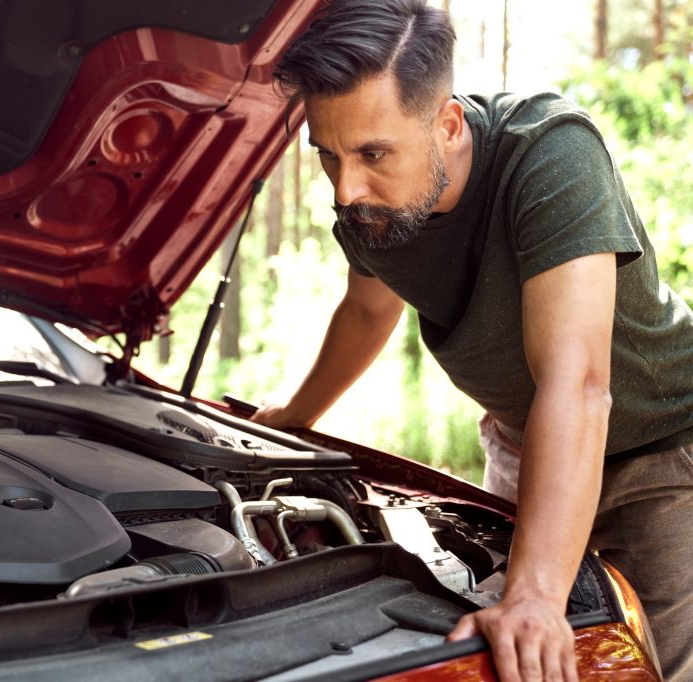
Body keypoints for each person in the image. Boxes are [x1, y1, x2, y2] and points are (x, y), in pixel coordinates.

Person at [252, 1, 693, 680]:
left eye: (373, 153)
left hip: (662, 457)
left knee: (642, 666)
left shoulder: (549, 152)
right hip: (526, 446)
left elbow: (577, 380)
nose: (345, 189)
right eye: (327, 155)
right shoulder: (369, 204)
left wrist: (537, 596)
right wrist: (294, 419)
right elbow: (368, 310)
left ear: (448, 124)